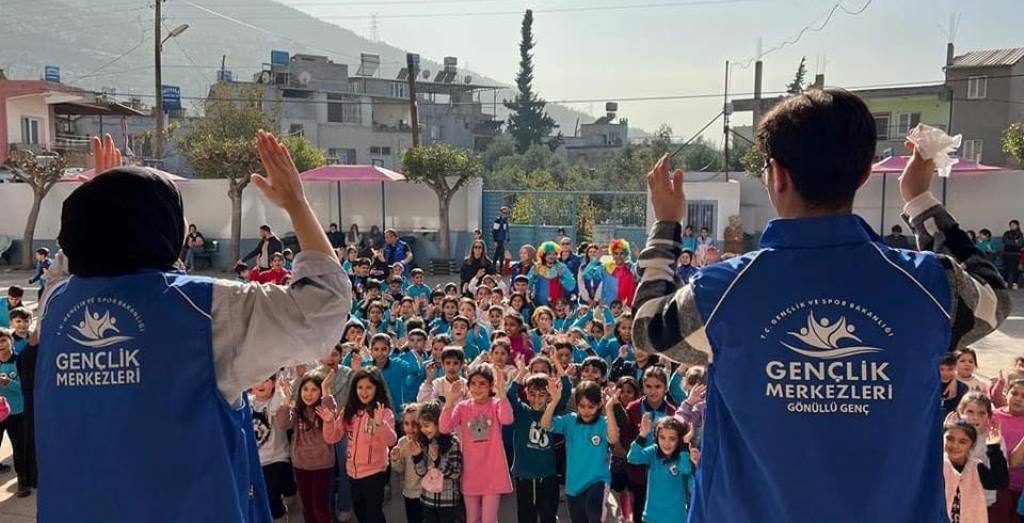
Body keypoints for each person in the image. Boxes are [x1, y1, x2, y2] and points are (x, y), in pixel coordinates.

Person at [633, 89, 1010, 522]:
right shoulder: (928, 285)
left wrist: (666, 223)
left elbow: (648, 326)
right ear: (865, 174)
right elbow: (993, 297)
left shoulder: (723, 292)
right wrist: (919, 199)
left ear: (777, 175)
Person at [35, 132, 351, 522]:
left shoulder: (56, 307)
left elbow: (64, 269)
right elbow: (324, 307)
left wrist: (102, 205)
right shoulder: (206, 309)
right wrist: (296, 204)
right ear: (163, 227)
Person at [440, 364, 514, 523]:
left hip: (493, 471)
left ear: (491, 385)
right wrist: (450, 401)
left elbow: (507, 419)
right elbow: (444, 428)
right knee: (472, 518)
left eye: (482, 384)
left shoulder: (496, 404)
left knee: (489, 519)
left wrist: (502, 393)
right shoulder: (462, 407)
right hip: (471, 472)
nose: (477, 388)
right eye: (473, 383)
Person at [323, 369, 397, 523]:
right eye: (360, 387)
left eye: (369, 387)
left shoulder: (385, 413)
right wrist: (329, 421)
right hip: (352, 473)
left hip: (375, 472)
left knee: (374, 515)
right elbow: (332, 437)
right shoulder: (349, 411)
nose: (364, 392)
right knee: (359, 510)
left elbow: (391, 440)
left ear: (377, 388)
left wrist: (380, 423)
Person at [541, 379, 619, 523]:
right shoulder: (569, 421)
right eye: (582, 406)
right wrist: (554, 401)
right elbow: (545, 424)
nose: (586, 410)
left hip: (598, 480)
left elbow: (613, 439)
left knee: (594, 515)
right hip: (574, 485)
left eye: (591, 406)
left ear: (599, 404)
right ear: (576, 405)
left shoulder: (603, 422)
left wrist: (609, 410)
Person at [626, 416, 695, 523]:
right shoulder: (654, 451)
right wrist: (642, 435)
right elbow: (633, 457)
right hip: (651, 518)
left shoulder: (683, 456)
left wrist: (685, 445)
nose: (666, 443)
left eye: (672, 439)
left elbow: (685, 469)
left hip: (676, 519)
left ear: (679, 440)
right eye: (662, 438)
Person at [943, 420, 1008, 523]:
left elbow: (1000, 482)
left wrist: (994, 448)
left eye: (963, 442)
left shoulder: (975, 467)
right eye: (950, 439)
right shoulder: (936, 465)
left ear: (972, 445)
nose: (955, 445)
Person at [412, 401, 464, 523]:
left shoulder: (453, 442)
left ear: (438, 422)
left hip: (447, 502)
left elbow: (456, 473)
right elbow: (421, 472)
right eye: (421, 426)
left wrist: (438, 460)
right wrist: (417, 456)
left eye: (426, 425)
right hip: (428, 500)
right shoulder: (424, 442)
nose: (423, 430)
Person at [0, 328, 30, 497]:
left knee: (19, 447)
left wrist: (8, 382)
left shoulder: (20, 361)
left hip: (17, 412)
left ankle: (23, 480)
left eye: (3, 340)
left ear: (10, 341)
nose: (0, 345)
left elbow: (25, 388)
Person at [391, 404, 424, 523]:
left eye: (414, 424)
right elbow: (399, 469)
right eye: (406, 423)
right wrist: (395, 459)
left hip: (426, 493)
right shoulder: (402, 442)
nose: (410, 428)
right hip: (409, 492)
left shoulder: (426, 441)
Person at [1002, 220, 1022, 289]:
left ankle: (1015, 283)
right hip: (1006, 253)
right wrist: (1014, 242)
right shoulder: (1006, 233)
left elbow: (1020, 243)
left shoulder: (1020, 234)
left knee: (1016, 269)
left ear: (1017, 226)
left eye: (1013, 225)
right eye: (1010, 225)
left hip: (1016, 254)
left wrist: (1011, 242)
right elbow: (1004, 241)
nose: (1012, 226)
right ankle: (1005, 282)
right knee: (1006, 269)